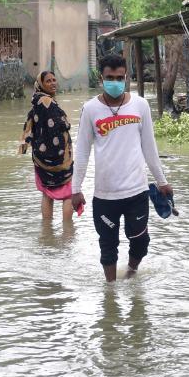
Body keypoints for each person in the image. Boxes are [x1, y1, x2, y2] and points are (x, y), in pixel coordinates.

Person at [71, 55, 173, 282]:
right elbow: (82, 151)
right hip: (104, 195)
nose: (114, 82)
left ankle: (130, 273)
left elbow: (149, 147)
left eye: (119, 78)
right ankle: (110, 292)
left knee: (140, 241)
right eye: (110, 78)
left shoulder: (140, 105)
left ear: (126, 77)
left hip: (136, 191)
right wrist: (75, 189)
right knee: (108, 246)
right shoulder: (90, 109)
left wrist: (162, 181)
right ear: (101, 78)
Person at [20, 71, 74, 221]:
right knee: (68, 194)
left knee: (46, 193)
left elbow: (29, 128)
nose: (53, 83)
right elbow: (63, 124)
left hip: (41, 158)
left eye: (54, 80)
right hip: (60, 159)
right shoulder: (48, 102)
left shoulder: (35, 102)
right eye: (48, 81)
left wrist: (24, 148)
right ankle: (68, 232)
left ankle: (46, 231)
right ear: (41, 84)